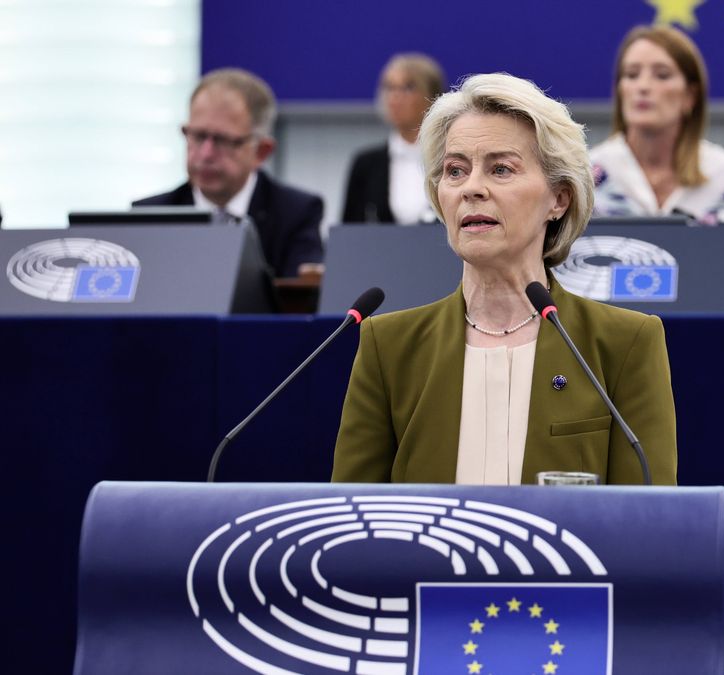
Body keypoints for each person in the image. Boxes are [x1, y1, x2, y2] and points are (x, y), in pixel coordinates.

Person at [331, 73, 678, 485]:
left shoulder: (623, 343)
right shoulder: (388, 347)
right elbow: (352, 525)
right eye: (455, 171)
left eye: (500, 169)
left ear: (559, 198)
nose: (471, 188)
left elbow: (651, 527)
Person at [135, 68, 323, 278]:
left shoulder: (296, 213)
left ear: (261, 151)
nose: (206, 154)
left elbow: (301, 302)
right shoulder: (150, 216)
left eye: (222, 141)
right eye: (198, 136)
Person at [591, 25, 724, 224]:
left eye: (662, 75)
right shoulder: (585, 176)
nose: (643, 86)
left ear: (691, 95)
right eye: (631, 74)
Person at [341, 53, 445, 224]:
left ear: (432, 96)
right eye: (389, 88)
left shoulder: (451, 158)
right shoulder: (366, 164)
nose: (395, 97)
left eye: (408, 88)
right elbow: (350, 234)